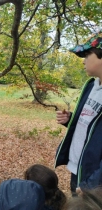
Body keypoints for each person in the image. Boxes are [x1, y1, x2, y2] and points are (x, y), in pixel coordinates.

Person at [55, 30, 102, 195]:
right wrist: (70, 120)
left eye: (87, 55)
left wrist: (92, 184)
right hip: (79, 168)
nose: (83, 61)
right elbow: (92, 126)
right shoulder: (91, 86)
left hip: (94, 181)